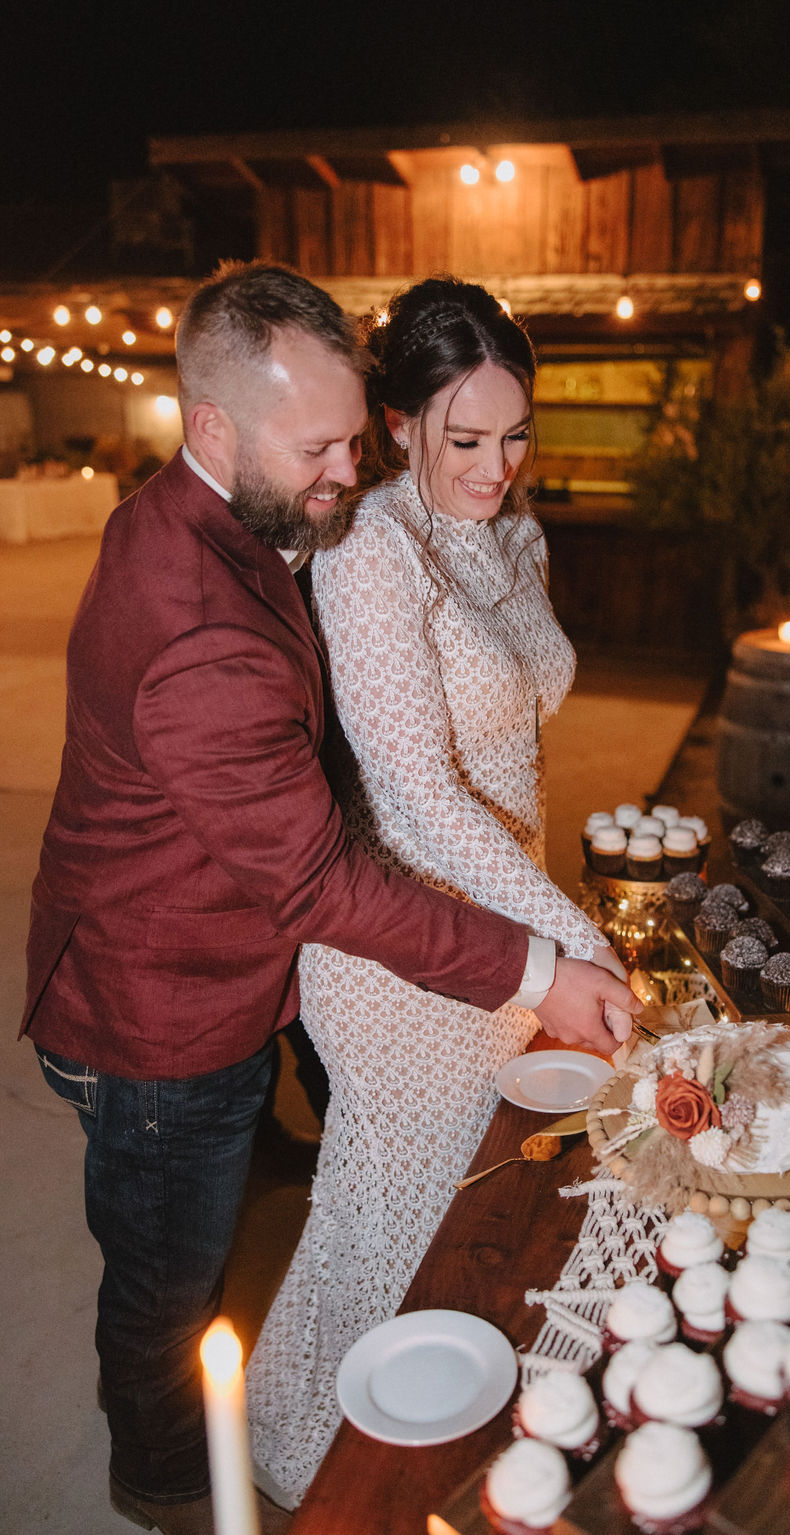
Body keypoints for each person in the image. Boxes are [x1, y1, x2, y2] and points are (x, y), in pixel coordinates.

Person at [20, 262, 638, 1535]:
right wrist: (544, 957)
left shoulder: (232, 511)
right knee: (170, 1288)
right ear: (210, 427)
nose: (348, 474)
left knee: (339, 1212)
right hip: (158, 1004)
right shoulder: (201, 618)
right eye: (324, 447)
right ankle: (173, 1490)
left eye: (356, 438)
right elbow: (322, 870)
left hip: (272, 942)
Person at [245, 276, 623, 1504]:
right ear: (398, 420)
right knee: (385, 1223)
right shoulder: (368, 548)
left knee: (477, 1213)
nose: (493, 466)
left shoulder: (518, 535)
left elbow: (516, 755)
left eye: (515, 435)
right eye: (463, 438)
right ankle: (313, 1470)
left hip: (509, 919)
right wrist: (571, 940)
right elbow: (413, 798)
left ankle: (445, 1460)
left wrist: (554, 915)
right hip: (400, 953)